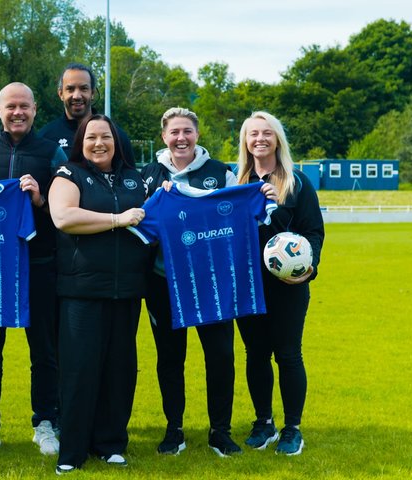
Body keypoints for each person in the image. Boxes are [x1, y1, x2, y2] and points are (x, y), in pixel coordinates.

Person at [0, 82, 66, 457]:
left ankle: (46, 423)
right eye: (11, 106)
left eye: (24, 106)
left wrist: (38, 199)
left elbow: (64, 213)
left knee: (45, 351)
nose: (17, 112)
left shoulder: (51, 154)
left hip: (38, 266)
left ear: (35, 109)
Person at [48, 114, 150, 474]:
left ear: (117, 141)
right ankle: (72, 451)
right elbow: (63, 217)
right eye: (91, 137)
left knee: (119, 369)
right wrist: (118, 219)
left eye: (105, 137)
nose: (98, 143)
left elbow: (154, 219)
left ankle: (111, 443)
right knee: (79, 370)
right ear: (81, 142)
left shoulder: (135, 179)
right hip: (82, 291)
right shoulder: (68, 174)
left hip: (126, 291)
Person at [140, 107, 242, 457]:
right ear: (163, 136)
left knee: (220, 357)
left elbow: (238, 219)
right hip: (162, 283)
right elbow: (138, 224)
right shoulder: (148, 175)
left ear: (197, 135)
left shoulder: (221, 174)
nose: (181, 138)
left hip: (210, 284)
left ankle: (220, 431)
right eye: (174, 132)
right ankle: (174, 430)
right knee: (170, 358)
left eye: (187, 131)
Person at [234, 111, 325, 456]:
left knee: (288, 354)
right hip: (247, 285)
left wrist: (309, 266)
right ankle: (264, 423)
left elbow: (313, 231)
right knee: (255, 354)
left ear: (277, 139)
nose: (260, 138)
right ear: (245, 141)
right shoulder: (236, 183)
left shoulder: (296, 182)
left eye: (267, 133)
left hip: (288, 286)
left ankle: (292, 428)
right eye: (253, 133)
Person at [38, 63, 135, 163]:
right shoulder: (45, 137)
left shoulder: (116, 136)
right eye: (70, 89)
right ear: (61, 94)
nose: (77, 96)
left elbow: (130, 176)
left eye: (83, 88)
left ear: (92, 93)